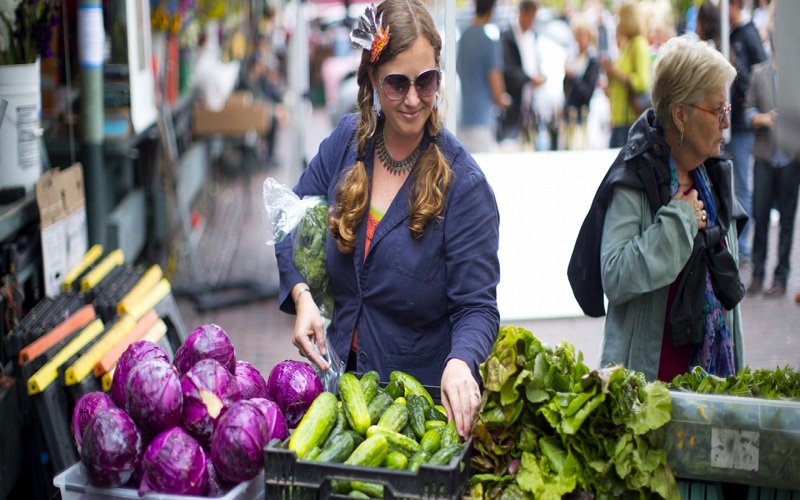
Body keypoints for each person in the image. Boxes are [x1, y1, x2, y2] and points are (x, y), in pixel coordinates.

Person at [275, 0, 501, 438]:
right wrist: (302, 295)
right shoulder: (346, 143)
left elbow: (477, 306)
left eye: (427, 81)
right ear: (373, 79)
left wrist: (461, 362)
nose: (414, 99)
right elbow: (290, 218)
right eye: (397, 84)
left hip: (416, 411)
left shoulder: (464, 184)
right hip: (341, 392)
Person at [567, 35, 748, 382]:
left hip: (713, 387)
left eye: (727, 110)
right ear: (681, 115)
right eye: (718, 110)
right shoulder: (635, 177)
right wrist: (678, 220)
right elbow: (615, 276)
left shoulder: (714, 177)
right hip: (648, 390)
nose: (726, 122)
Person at [745, 30, 800, 298]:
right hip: (765, 156)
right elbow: (747, 111)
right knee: (761, 216)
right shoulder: (759, 74)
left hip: (791, 159)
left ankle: (781, 277)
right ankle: (757, 274)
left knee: (788, 221)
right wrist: (763, 118)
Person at [727, 0, 768, 264]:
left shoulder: (749, 34)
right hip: (732, 122)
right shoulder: (732, 34)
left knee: (742, 184)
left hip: (742, 124)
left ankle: (742, 245)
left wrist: (746, 96)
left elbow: (761, 73)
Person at [456, 0, 508, 152]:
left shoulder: (464, 36)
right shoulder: (487, 41)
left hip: (463, 117)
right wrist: (504, 101)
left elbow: (458, 68)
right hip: (481, 121)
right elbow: (496, 84)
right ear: (491, 10)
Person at [600, 1, 651, 148]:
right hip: (619, 118)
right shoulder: (627, 45)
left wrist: (614, 71)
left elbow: (642, 82)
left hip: (630, 119)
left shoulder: (639, 44)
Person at [497, 0, 546, 143]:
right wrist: (530, 79)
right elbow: (508, 70)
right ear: (522, 14)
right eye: (530, 17)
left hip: (529, 102)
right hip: (512, 103)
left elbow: (535, 62)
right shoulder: (507, 36)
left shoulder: (532, 36)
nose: (532, 22)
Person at [563, 12, 599, 126]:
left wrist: (573, 77)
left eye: (581, 35)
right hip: (570, 111)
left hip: (583, 113)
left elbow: (587, 92)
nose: (578, 39)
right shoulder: (573, 57)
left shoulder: (592, 60)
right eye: (576, 34)